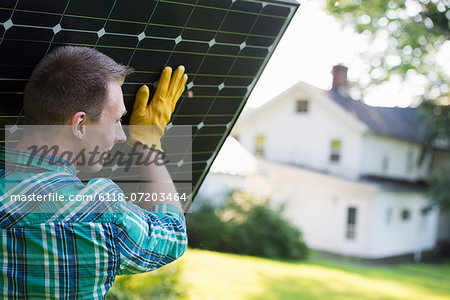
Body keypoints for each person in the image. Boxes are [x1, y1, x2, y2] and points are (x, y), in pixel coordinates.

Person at [0, 46, 188, 299]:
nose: (122, 135)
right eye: (117, 121)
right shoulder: (97, 212)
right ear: (79, 124)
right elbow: (172, 234)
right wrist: (149, 144)